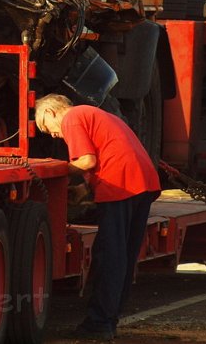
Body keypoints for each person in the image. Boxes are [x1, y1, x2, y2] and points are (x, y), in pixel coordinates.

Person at [35, 93, 160, 342]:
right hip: (143, 183)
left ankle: (99, 323)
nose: (51, 134)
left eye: (44, 127)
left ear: (50, 112)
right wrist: (84, 189)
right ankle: (109, 319)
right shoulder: (95, 113)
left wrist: (56, 170)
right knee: (123, 256)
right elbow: (106, 154)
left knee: (109, 256)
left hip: (121, 185)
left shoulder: (72, 117)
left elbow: (87, 161)